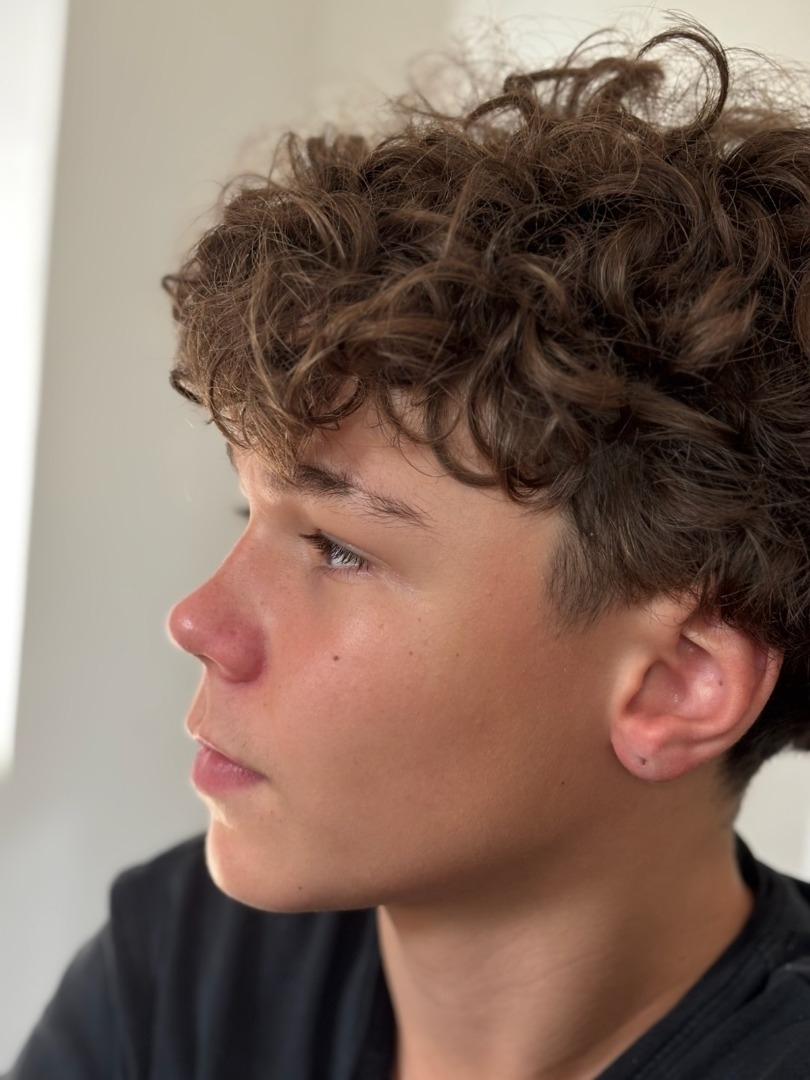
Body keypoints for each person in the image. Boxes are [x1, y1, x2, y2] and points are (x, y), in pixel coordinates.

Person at [8, 20, 810, 1080]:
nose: (197, 621)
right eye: (246, 515)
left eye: (337, 548)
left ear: (678, 681)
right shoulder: (184, 973)